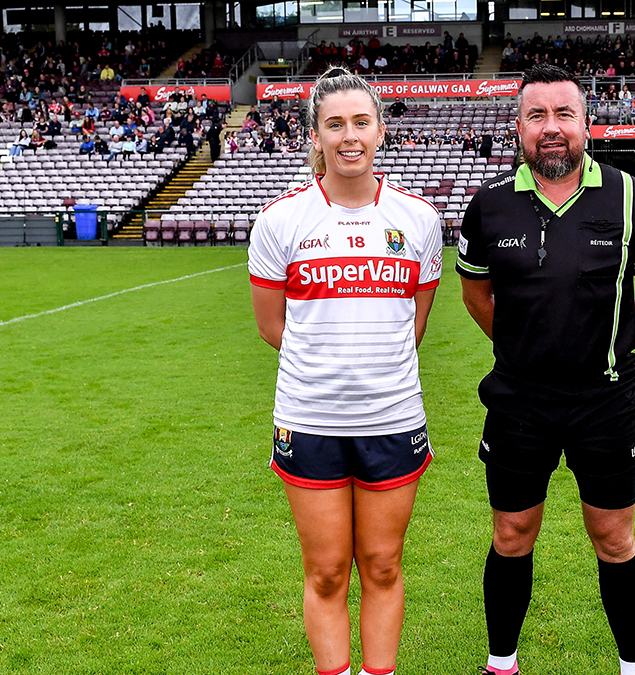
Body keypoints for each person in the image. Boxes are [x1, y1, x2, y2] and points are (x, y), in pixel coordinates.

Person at [455, 64, 635, 675]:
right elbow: (477, 298)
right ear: (518, 126)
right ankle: (502, 663)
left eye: (563, 115)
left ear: (586, 123)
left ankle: (634, 667)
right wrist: (525, 348)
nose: (551, 128)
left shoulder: (632, 197)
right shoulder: (490, 205)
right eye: (536, 116)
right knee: (511, 533)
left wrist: (608, 349)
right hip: (518, 402)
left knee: (614, 537)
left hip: (604, 403)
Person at [248, 66, 443, 675]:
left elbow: (414, 324)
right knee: (328, 571)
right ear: (316, 136)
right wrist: (328, 369)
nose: (349, 135)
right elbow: (273, 329)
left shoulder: (419, 220)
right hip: (310, 422)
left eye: (361, 121)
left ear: (381, 132)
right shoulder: (280, 221)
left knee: (383, 566)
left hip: (392, 418)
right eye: (335, 124)